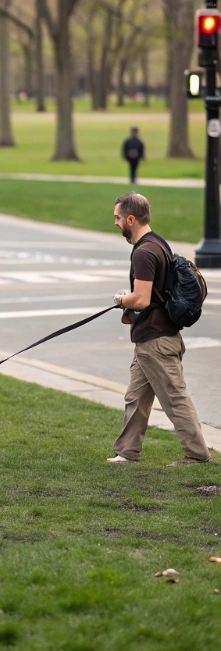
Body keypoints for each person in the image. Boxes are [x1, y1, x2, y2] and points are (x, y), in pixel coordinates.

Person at [108, 193, 210, 466]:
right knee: (136, 397)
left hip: (157, 340)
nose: (116, 223)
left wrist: (120, 300)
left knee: (174, 398)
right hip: (152, 338)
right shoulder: (157, 243)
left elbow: (140, 299)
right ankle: (127, 452)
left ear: (131, 219)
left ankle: (197, 455)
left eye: (118, 218)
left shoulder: (144, 252)